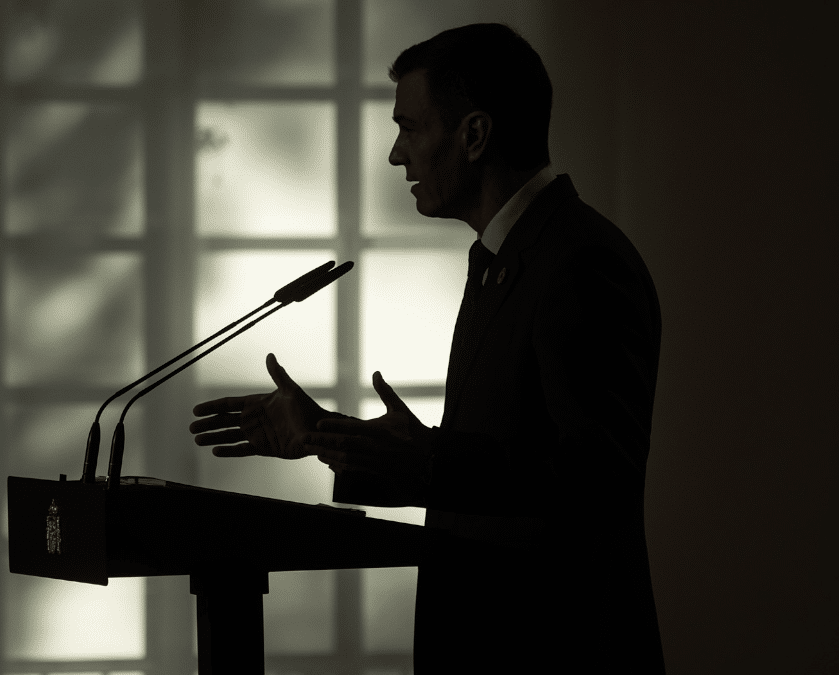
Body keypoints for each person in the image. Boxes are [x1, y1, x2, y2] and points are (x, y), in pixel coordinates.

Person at [189, 23, 665, 673]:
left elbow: (593, 481)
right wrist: (330, 435)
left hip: (552, 646)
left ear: (473, 135)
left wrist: (430, 460)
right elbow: (499, 451)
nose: (395, 155)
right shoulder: (501, 256)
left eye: (409, 128)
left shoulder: (579, 262)